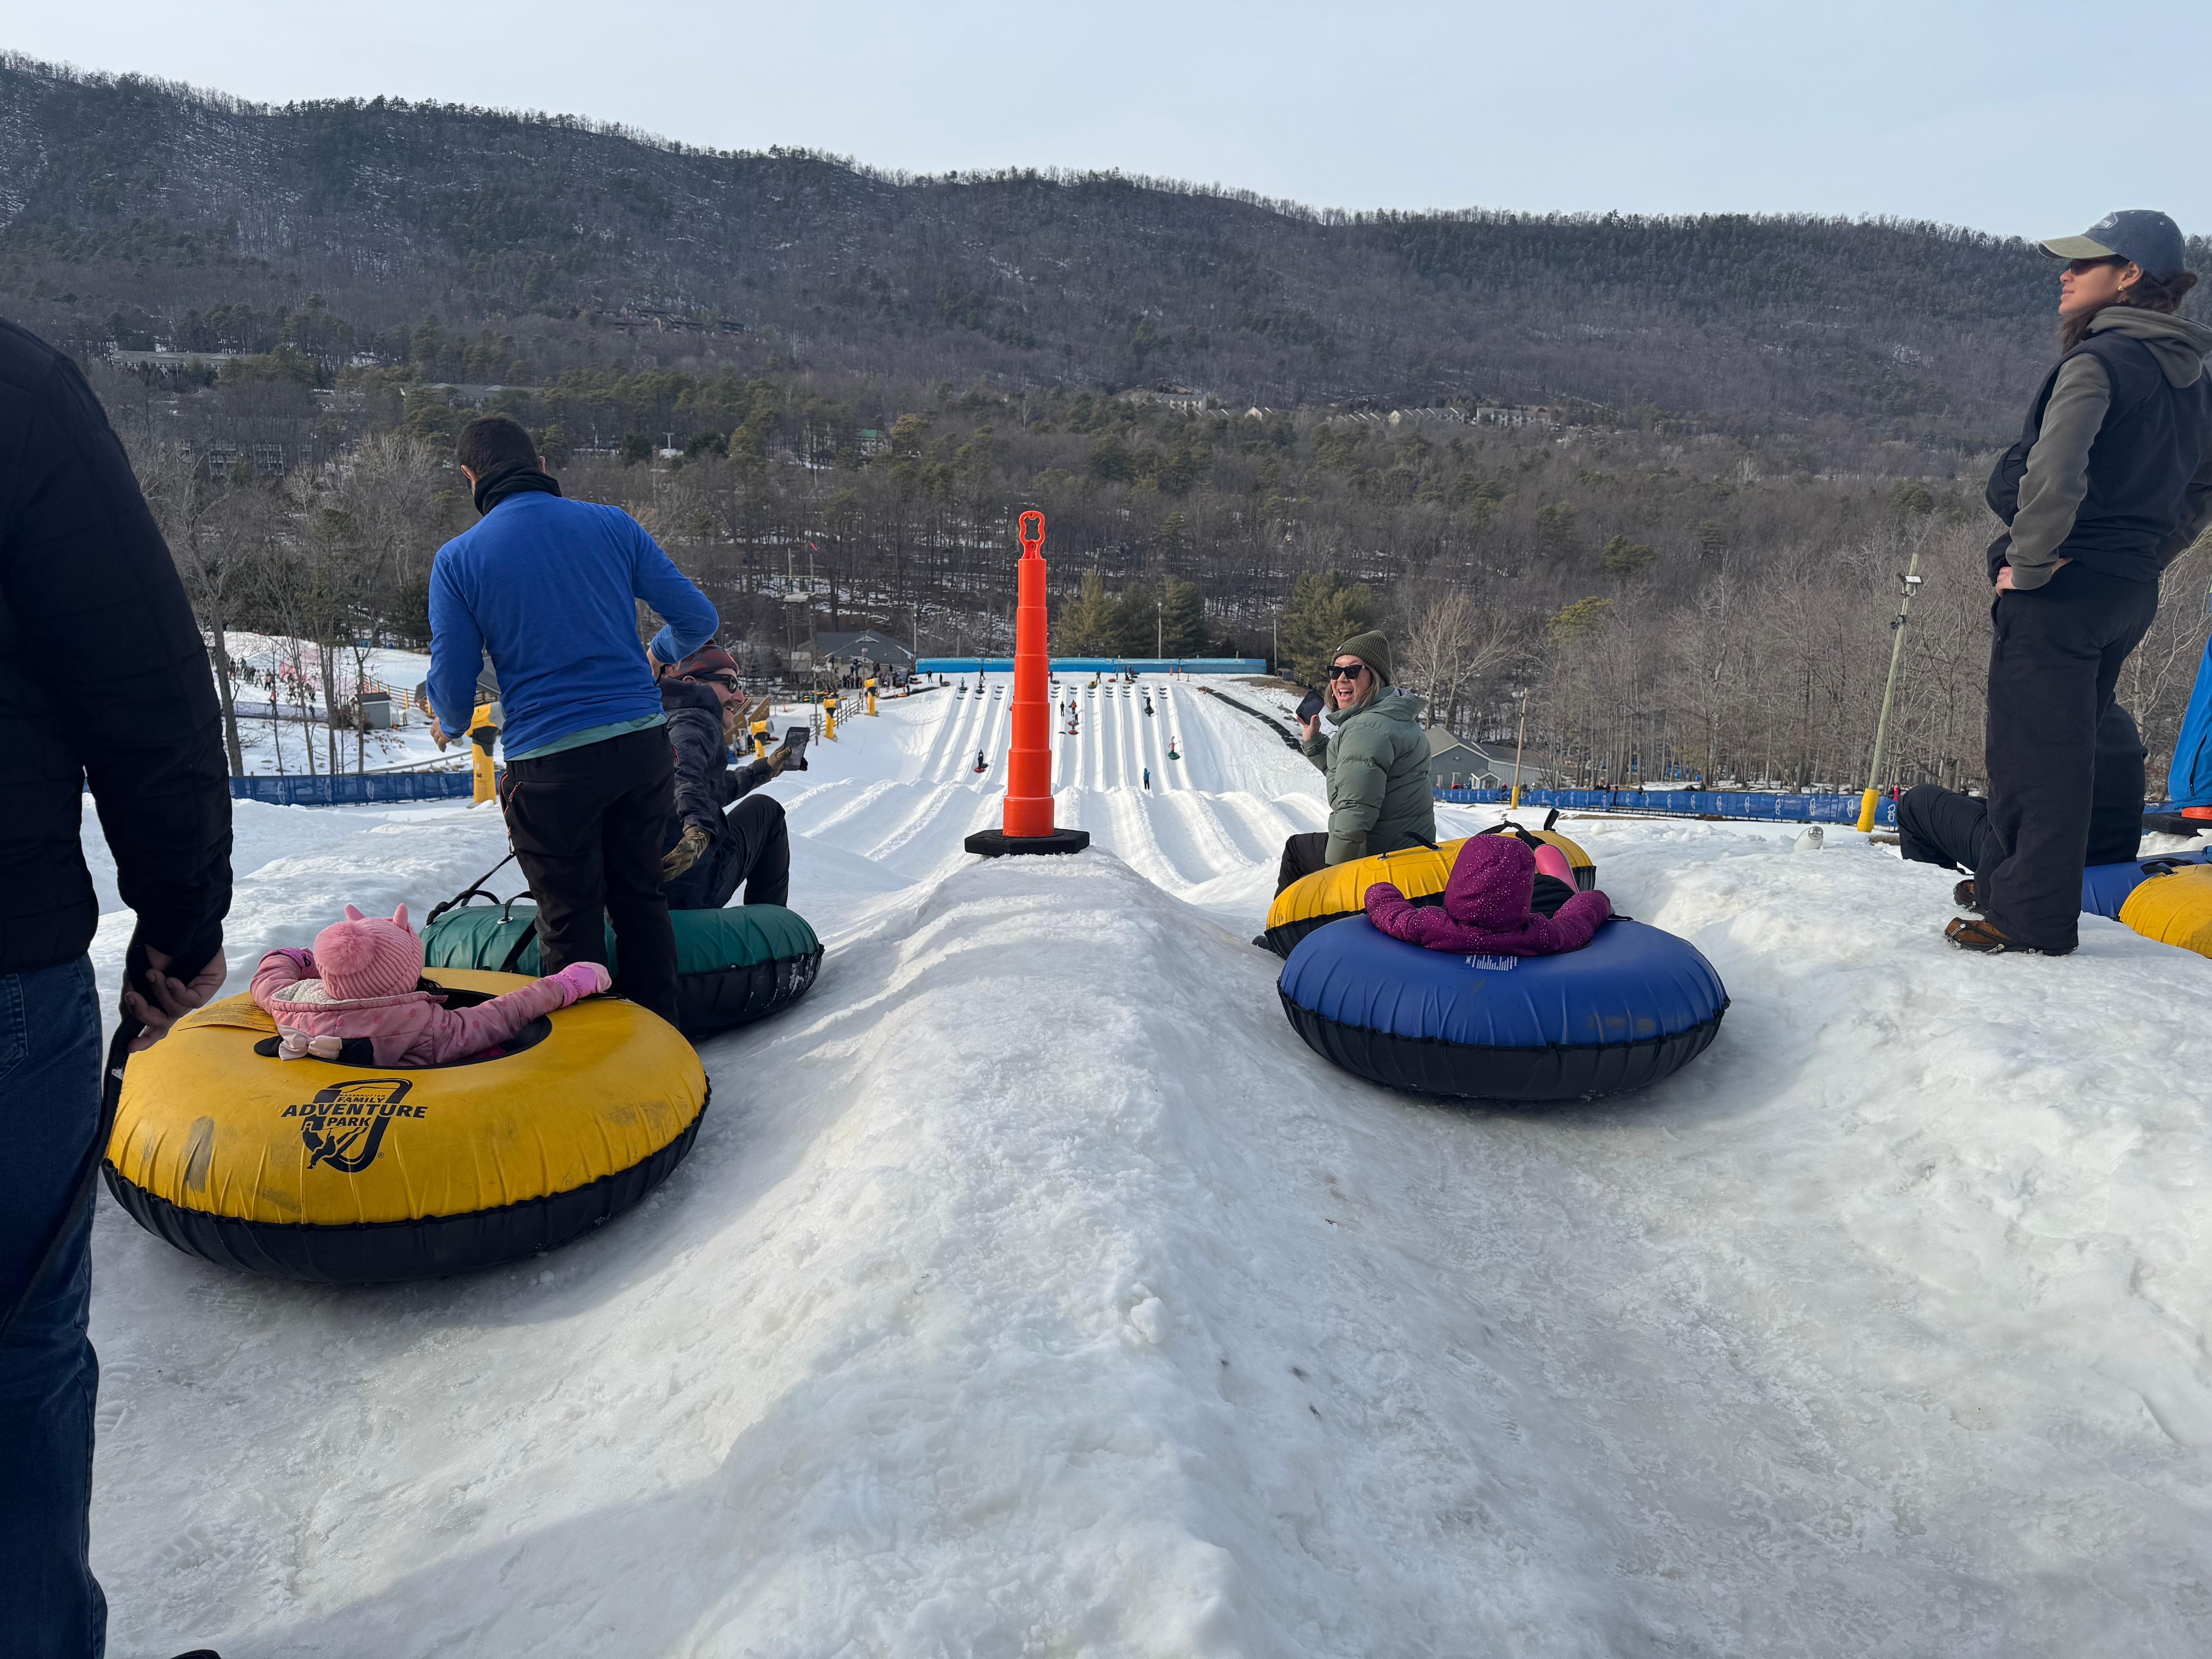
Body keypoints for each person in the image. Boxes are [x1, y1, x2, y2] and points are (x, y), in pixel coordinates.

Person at [0, 315, 234, 1656]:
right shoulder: (20, 391)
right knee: (20, 1349)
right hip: (6, 960)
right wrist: (182, 918)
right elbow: (142, 682)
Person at [1952, 210, 2212, 953]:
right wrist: (2148, 556)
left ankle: (2028, 916)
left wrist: (2028, 568)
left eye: (2084, 263)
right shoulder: (2195, 380)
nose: (2065, 275)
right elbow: (2202, 489)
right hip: (2126, 591)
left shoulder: (2099, 363)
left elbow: (2055, 474)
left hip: (2061, 589)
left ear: (2129, 275)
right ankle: (2009, 885)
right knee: (2061, 745)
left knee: (2036, 758)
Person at [426, 415, 717, 1025]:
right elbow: (697, 618)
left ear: (469, 477)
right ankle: (663, 1051)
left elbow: (453, 695)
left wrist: (444, 719)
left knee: (570, 920)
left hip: (550, 767)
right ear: (540, 463)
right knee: (640, 899)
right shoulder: (611, 524)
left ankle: (588, 1073)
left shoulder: (458, 561)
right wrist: (657, 655)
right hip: (642, 751)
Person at [252, 905, 608, 1064]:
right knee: (492, 1052)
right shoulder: (429, 1027)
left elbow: (268, 979)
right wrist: (565, 984)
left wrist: (295, 957)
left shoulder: (292, 1006)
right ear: (408, 974)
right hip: (423, 1119)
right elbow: (503, 1014)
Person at [1900, 701, 2151, 906]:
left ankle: (1935, 905)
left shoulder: (2045, 714)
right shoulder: (2122, 722)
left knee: (1916, 803)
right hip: (2114, 853)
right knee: (1979, 806)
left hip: (2041, 860)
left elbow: (2011, 809)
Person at [1274, 630, 1435, 894]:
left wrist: (1336, 881)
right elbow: (1353, 772)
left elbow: (1354, 814)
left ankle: (1286, 933)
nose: (1341, 680)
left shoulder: (1367, 729)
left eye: (1353, 671)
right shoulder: (1392, 716)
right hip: (1411, 848)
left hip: (1383, 858)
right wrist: (1315, 742)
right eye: (1335, 671)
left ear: (1375, 676)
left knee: (1296, 851)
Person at [654, 644, 806, 911]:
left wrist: (764, 769)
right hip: (690, 879)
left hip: (647, 882)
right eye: (731, 684)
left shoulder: (660, 720)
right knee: (767, 811)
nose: (741, 697)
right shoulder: (694, 719)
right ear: (691, 683)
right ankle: (769, 927)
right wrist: (697, 829)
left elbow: (702, 786)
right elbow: (685, 777)